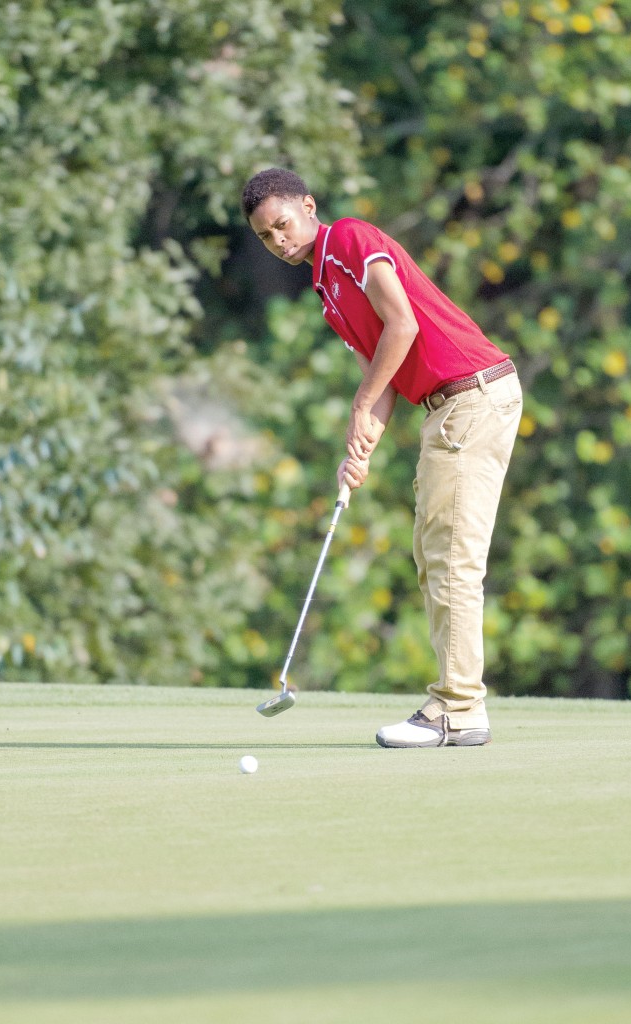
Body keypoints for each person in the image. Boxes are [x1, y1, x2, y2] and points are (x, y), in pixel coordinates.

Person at [241, 167, 522, 748]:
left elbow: (403, 325)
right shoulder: (326, 292)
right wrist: (360, 446)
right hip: (450, 406)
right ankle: (459, 706)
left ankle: (457, 710)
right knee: (434, 555)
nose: (278, 241)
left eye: (282, 225)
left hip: (471, 396)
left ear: (308, 207)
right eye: (265, 237)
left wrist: (359, 405)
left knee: (452, 558)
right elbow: (384, 375)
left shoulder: (347, 239)